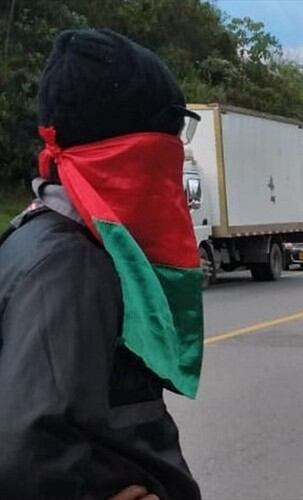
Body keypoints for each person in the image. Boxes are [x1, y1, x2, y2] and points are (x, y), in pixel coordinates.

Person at [0, 29, 204, 499]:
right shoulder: (69, 263)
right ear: (129, 151)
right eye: (168, 138)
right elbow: (28, 454)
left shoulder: (39, 236)